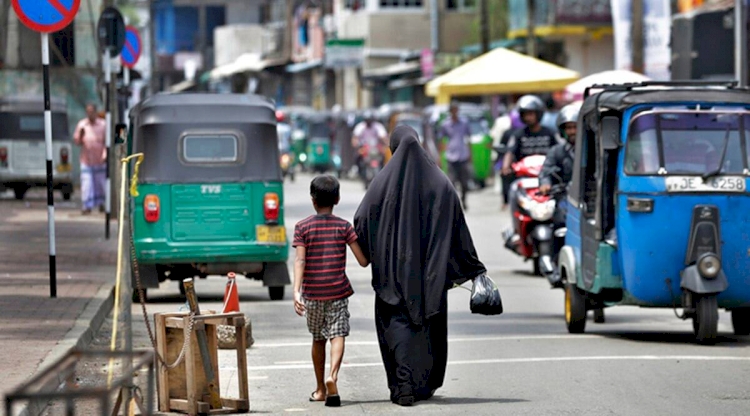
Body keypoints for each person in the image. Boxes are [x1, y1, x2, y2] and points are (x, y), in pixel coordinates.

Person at [354, 126, 487, 407]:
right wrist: (471, 267)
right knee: (428, 328)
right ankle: (423, 385)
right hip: (431, 277)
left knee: (398, 325)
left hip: (393, 275)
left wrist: (374, 251)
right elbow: (458, 227)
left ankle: (403, 385)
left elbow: (362, 220)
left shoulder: (381, 184)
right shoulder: (441, 183)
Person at [292, 175, 369, 407]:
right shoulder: (344, 227)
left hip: (313, 294)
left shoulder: (302, 227)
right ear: (337, 198)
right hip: (337, 292)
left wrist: (297, 292)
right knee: (338, 335)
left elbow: (299, 261)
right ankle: (332, 377)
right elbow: (363, 261)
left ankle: (319, 390)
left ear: (313, 200)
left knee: (318, 339)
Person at [539, 102, 581, 288]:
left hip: (589, 199)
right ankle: (556, 265)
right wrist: (546, 184)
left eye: (575, 127)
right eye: (569, 128)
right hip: (565, 198)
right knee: (559, 226)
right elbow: (546, 170)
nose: (572, 131)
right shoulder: (557, 151)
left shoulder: (593, 150)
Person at [438, 101, 472, 210]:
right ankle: (453, 203)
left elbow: (468, 139)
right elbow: (442, 140)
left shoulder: (464, 123)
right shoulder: (445, 124)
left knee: (464, 183)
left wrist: (470, 154)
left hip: (462, 155)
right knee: (451, 182)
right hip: (451, 155)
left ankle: (464, 199)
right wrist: (440, 155)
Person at [74, 103, 106, 214]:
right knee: (86, 184)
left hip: (100, 160)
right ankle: (86, 206)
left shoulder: (103, 125)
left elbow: (106, 142)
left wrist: (105, 155)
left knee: (100, 184)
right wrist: (81, 135)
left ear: (96, 112)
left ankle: (102, 204)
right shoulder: (82, 125)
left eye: (92, 111)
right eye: (88, 111)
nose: (90, 113)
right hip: (86, 160)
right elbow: (77, 141)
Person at [351, 111, 388, 180]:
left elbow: (383, 136)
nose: (368, 122)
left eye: (370, 120)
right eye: (367, 120)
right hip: (365, 148)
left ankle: (383, 173)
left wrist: (386, 143)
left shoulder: (378, 126)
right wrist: (355, 143)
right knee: (357, 156)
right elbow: (355, 137)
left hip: (375, 148)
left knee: (384, 156)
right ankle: (358, 170)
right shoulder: (361, 126)